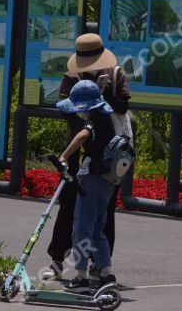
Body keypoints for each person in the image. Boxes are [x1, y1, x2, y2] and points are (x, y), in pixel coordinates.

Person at [43, 33, 131, 280]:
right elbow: (65, 108)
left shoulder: (115, 75)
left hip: (107, 154)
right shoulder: (72, 77)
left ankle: (100, 264)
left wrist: (105, 93)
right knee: (69, 203)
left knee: (104, 210)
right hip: (77, 151)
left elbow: (122, 107)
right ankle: (58, 258)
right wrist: (85, 123)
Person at [56, 80, 117, 292]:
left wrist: (64, 156)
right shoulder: (108, 118)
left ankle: (80, 277)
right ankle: (107, 273)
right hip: (107, 181)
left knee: (81, 227)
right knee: (97, 229)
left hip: (92, 179)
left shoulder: (94, 120)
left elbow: (83, 134)